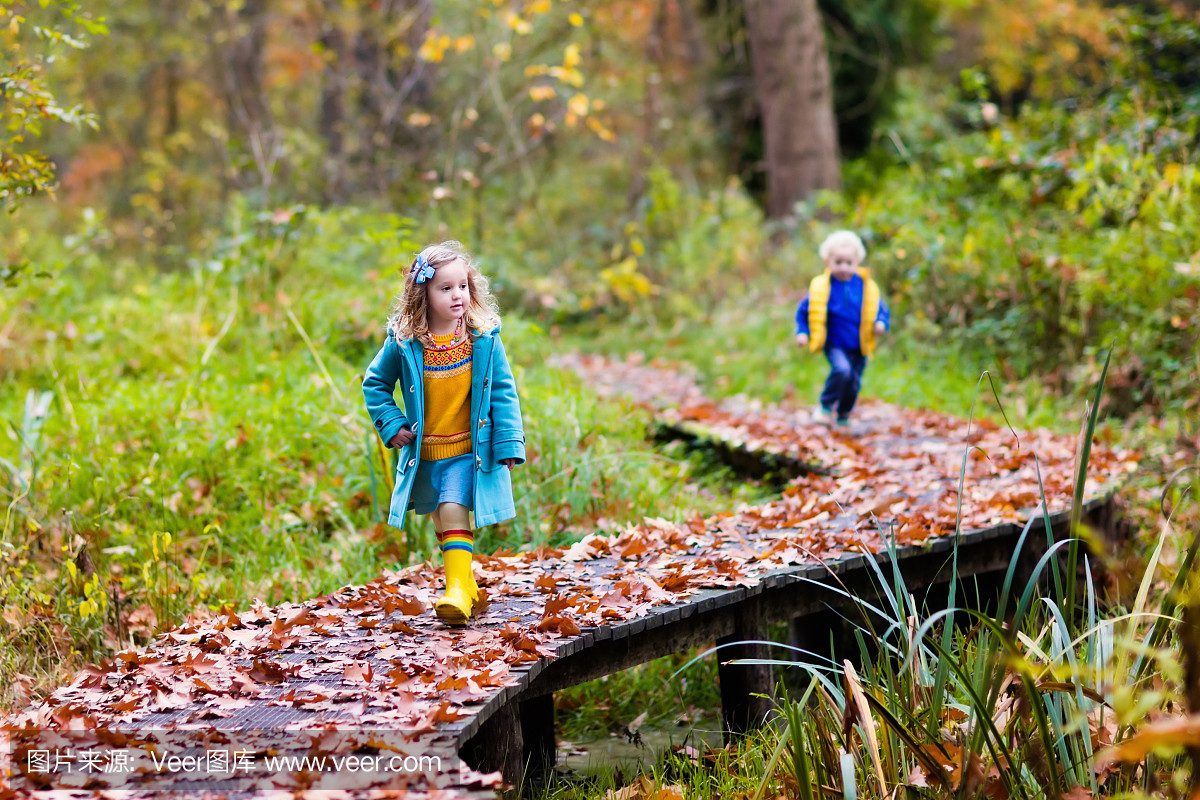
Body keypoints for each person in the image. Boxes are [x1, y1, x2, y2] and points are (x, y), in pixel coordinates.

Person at [362, 241, 525, 625]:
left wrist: (508, 442)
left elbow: (503, 390)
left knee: (453, 509)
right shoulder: (405, 342)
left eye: (463, 287)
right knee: (440, 517)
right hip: (426, 451)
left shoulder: (482, 338)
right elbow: (375, 384)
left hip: (470, 449)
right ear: (424, 294)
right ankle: (466, 583)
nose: (457, 296)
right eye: (445, 288)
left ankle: (454, 592)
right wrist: (393, 423)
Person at [794, 230, 890, 428]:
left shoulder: (865, 287)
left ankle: (844, 415)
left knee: (854, 383)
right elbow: (804, 311)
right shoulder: (823, 287)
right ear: (827, 262)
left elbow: (881, 308)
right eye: (838, 262)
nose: (844, 268)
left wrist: (881, 323)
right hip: (834, 342)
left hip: (859, 344)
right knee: (842, 370)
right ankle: (825, 405)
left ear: (857, 262)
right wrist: (802, 332)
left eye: (849, 263)